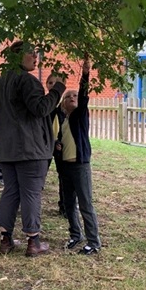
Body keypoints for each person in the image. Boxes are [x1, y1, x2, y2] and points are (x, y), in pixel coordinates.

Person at [0, 41, 66, 256]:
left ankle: (6, 240)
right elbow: (40, 109)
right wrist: (57, 89)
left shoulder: (1, 82)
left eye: (36, 53)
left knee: (11, 191)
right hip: (29, 149)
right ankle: (34, 241)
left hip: (6, 149)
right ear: (17, 57)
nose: (36, 57)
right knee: (31, 193)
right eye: (31, 54)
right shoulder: (27, 80)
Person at [54, 58, 101, 255]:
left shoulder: (80, 116)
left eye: (75, 96)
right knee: (68, 203)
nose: (73, 98)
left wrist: (85, 74)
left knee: (85, 203)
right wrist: (56, 145)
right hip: (65, 167)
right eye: (69, 96)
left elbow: (83, 94)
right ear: (63, 103)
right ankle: (75, 234)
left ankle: (93, 241)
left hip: (80, 165)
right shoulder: (61, 119)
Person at [46, 71, 67, 218]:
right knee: (38, 175)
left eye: (56, 83)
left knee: (64, 176)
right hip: (45, 145)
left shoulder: (65, 106)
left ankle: (64, 206)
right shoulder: (44, 104)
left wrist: (58, 142)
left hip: (60, 146)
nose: (53, 86)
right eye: (50, 83)